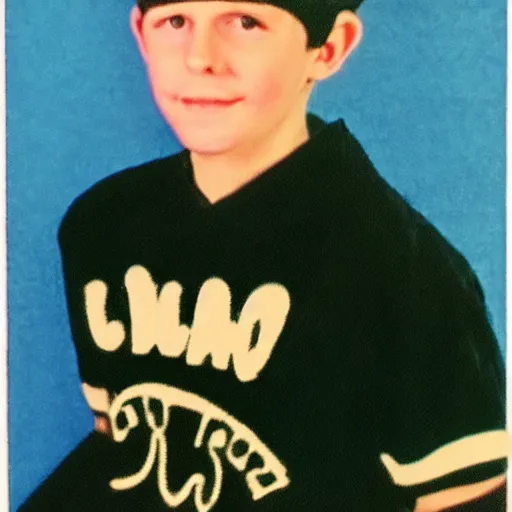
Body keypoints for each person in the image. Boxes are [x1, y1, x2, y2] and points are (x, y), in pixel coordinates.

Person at [20, 0, 508, 510]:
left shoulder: (407, 276)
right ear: (142, 35)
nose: (200, 58)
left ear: (329, 47)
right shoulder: (103, 225)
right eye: (176, 22)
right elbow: (121, 440)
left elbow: (465, 497)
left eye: (245, 22)